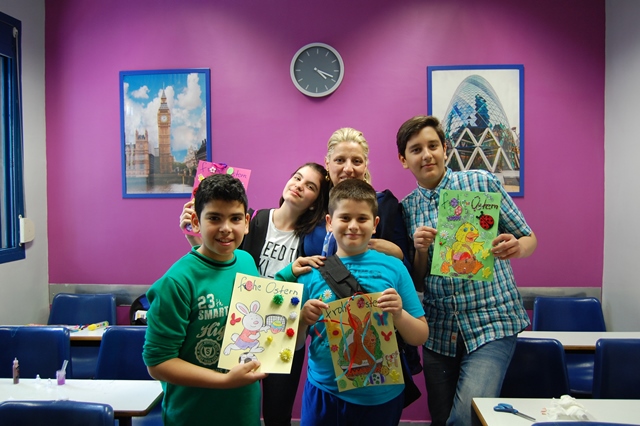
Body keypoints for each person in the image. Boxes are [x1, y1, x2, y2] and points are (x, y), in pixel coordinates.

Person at [395, 115, 538, 426]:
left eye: (433, 146)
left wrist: (517, 246)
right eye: (416, 149)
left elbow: (529, 238)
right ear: (404, 160)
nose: (427, 155)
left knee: (464, 419)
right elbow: (418, 282)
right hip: (439, 331)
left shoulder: (480, 183)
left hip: (491, 322)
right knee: (441, 418)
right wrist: (421, 251)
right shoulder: (405, 209)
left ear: (445, 149)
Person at [180, 162, 330, 426]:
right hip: (241, 330)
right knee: (236, 405)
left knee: (277, 414)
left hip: (284, 334)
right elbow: (222, 263)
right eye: (297, 177)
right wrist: (194, 236)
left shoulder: (312, 239)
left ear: (314, 203)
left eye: (310, 186)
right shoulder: (254, 220)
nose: (299, 186)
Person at [275, 179, 429, 426]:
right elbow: (293, 344)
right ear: (329, 222)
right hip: (325, 393)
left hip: (381, 397)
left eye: (362, 219)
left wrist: (399, 315)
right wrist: (302, 320)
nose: (353, 226)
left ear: (375, 224)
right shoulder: (311, 273)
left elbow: (420, 335)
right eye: (345, 218)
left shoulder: (395, 268)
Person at [143, 174, 267, 426]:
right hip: (193, 414)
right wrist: (224, 380)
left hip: (244, 411)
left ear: (246, 222)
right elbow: (158, 363)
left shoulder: (246, 262)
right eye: (214, 218)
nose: (226, 228)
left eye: (235, 218)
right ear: (196, 222)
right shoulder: (176, 282)